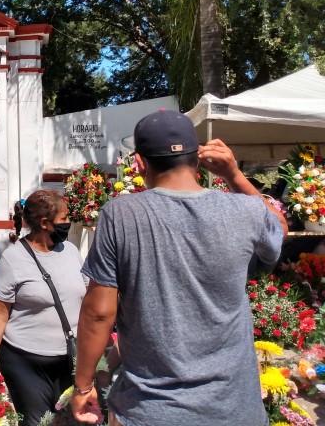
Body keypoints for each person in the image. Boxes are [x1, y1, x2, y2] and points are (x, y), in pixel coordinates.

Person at [70, 110, 287, 426]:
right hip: (234, 408)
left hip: (151, 410)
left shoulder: (122, 214)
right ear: (197, 159)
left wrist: (83, 385)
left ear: (141, 163)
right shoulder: (245, 209)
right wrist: (234, 175)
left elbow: (99, 312)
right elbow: (278, 229)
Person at [0, 189, 86, 426]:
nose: (69, 223)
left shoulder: (72, 252)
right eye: (65, 218)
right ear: (45, 223)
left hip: (70, 358)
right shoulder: (14, 259)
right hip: (24, 361)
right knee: (37, 422)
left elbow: (90, 297)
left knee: (70, 420)